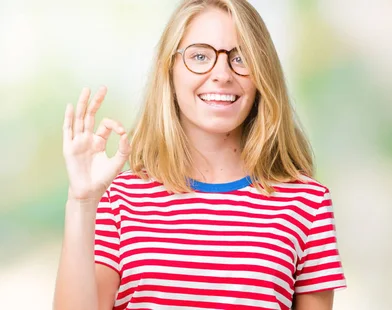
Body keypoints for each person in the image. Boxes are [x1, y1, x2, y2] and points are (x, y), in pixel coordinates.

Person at [53, 0, 346, 309]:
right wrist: (82, 202)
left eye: (241, 57)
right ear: (169, 70)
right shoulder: (120, 198)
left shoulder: (308, 204)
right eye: (200, 56)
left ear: (262, 73)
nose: (222, 74)